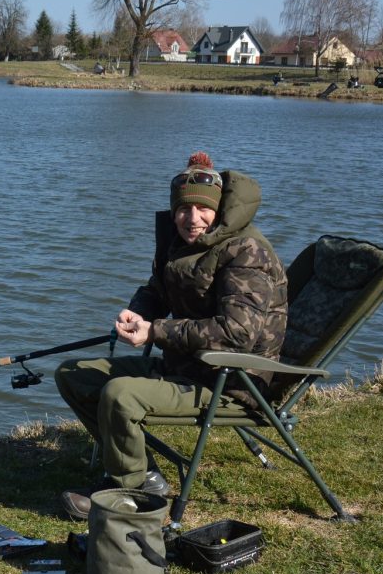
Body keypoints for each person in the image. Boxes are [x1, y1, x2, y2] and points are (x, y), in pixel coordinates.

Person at [54, 151, 288, 520]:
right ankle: (145, 475)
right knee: (74, 374)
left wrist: (155, 332)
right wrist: (140, 312)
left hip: (232, 382)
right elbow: (159, 289)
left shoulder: (246, 252)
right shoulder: (183, 242)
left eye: (202, 209)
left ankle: (130, 494)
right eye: (183, 209)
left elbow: (238, 332)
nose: (191, 218)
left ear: (219, 210)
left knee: (120, 394)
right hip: (189, 365)